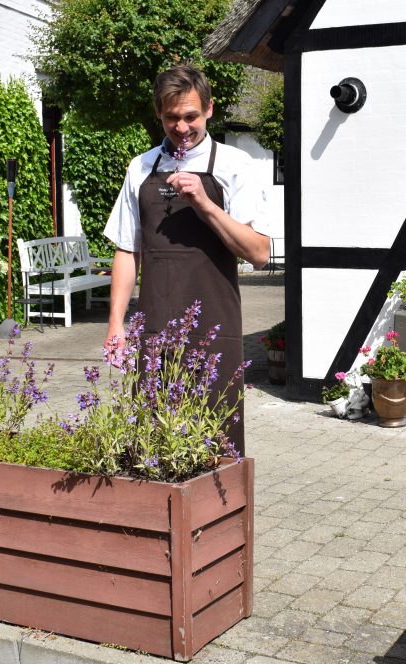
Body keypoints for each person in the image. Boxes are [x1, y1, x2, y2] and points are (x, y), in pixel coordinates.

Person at [103, 64, 270, 455]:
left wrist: (205, 204)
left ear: (209, 109)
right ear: (159, 114)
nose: (181, 128)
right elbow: (128, 250)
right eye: (171, 117)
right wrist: (115, 324)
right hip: (156, 326)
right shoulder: (140, 168)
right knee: (152, 440)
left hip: (216, 327)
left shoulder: (234, 166)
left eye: (191, 116)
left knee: (218, 437)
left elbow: (259, 252)